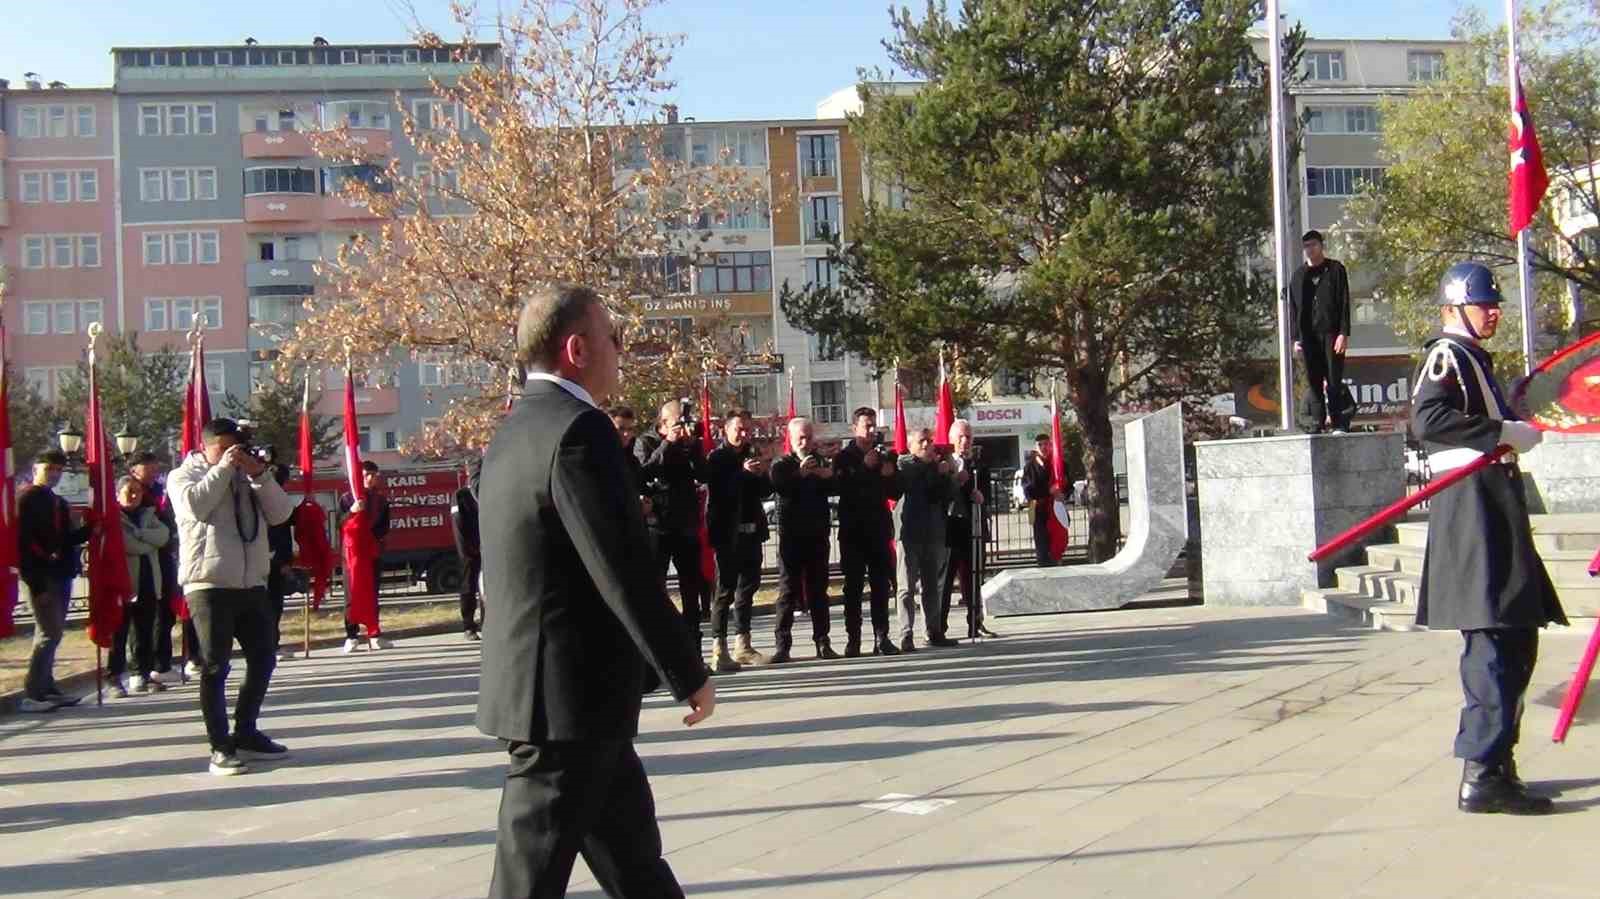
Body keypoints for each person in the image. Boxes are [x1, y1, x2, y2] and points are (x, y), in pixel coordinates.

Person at [477, 285, 713, 898]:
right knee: (526, 883)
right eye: (614, 338)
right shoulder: (580, 431)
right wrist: (688, 669)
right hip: (565, 710)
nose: (621, 351)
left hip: (570, 701)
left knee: (637, 867)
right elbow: (623, 570)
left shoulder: (513, 430)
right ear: (578, 348)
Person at [1411, 261, 1565, 816]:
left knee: (1516, 636)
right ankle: (1482, 774)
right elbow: (1428, 421)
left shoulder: (1475, 358)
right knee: (1493, 642)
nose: (1493, 311)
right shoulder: (1447, 355)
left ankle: (1498, 763)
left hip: (1490, 502)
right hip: (1472, 507)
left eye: (1495, 302)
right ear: (1455, 308)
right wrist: (1503, 433)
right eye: (1483, 304)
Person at [169, 418, 296, 776]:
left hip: (250, 582)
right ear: (205, 446)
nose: (232, 455)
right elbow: (196, 507)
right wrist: (223, 469)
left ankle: (246, 732)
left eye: (236, 449)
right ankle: (219, 747)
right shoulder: (183, 476)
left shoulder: (247, 478)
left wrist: (260, 475)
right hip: (208, 583)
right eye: (223, 448)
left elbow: (282, 514)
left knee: (263, 656)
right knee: (214, 665)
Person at [16, 450, 92, 712]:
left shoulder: (57, 501)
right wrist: (36, 586)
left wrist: (91, 528)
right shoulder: (26, 498)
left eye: (58, 470)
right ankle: (34, 693)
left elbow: (64, 540)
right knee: (49, 633)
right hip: (41, 575)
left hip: (61, 572)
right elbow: (24, 544)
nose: (54, 475)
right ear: (36, 468)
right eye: (49, 469)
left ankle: (47, 687)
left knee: (52, 633)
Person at [703, 409, 773, 672]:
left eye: (747, 430)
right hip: (726, 534)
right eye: (738, 429)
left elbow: (765, 491)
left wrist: (762, 472)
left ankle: (743, 644)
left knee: (748, 589)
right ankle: (718, 649)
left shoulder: (751, 453)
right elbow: (720, 492)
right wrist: (742, 473)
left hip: (752, 530)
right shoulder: (717, 457)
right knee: (725, 591)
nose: (743, 434)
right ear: (726, 430)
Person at [635, 399, 709, 642]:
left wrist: (691, 446)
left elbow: (703, 474)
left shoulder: (690, 444)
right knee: (656, 587)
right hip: (658, 525)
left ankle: (694, 648)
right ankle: (660, 647)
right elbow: (644, 471)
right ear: (663, 423)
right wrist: (668, 444)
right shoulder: (646, 442)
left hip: (685, 524)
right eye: (678, 423)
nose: (683, 427)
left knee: (691, 587)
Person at [832, 407, 903, 657]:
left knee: (881, 586)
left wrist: (890, 475)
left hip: (879, 529)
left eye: (874, 426)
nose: (872, 431)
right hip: (853, 532)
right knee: (853, 588)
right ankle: (854, 639)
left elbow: (896, 492)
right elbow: (840, 487)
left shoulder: (885, 455)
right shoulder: (844, 457)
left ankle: (882, 637)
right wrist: (863, 467)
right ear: (855, 429)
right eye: (866, 426)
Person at [768, 417, 840, 663]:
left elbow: (835, 485)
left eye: (809, 437)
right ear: (790, 438)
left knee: (819, 590)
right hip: (791, 537)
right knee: (788, 590)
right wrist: (800, 472)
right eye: (800, 437)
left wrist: (826, 473)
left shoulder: (821, 462)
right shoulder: (782, 463)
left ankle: (823, 642)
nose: (805, 441)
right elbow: (779, 485)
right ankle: (782, 645)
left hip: (817, 534)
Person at [895, 428, 959, 652]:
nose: (927, 445)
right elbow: (917, 482)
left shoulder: (935, 467)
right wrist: (935, 468)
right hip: (909, 533)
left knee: (932, 586)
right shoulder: (905, 464)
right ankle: (906, 633)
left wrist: (948, 470)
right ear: (911, 445)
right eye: (921, 441)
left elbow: (948, 493)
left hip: (933, 533)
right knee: (906, 587)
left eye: (929, 441)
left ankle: (934, 630)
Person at [130, 452, 192, 682]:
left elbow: (163, 528)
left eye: (156, 468)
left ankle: (161, 663)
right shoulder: (135, 492)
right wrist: (159, 536)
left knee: (165, 613)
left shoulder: (157, 491)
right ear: (135, 468)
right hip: (146, 561)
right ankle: (143, 667)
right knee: (146, 617)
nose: (155, 472)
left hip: (164, 557)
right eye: (149, 468)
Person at [109, 476, 171, 697]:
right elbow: (129, 545)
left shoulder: (148, 514)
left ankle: (140, 673)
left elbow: (163, 536)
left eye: (137, 491)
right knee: (120, 632)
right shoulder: (113, 517)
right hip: (124, 583)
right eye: (128, 491)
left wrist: (143, 534)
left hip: (149, 581)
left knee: (144, 630)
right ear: (117, 494)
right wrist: (147, 542)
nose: (134, 495)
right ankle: (114, 676)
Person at [1290, 230, 1354, 434]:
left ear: (1321, 245)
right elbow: (1294, 308)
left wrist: (1343, 333)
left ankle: (1338, 423)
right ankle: (1316, 423)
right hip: (1308, 336)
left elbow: (1344, 302)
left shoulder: (1335, 270)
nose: (1310, 250)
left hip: (1331, 334)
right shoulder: (1299, 276)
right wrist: (1295, 339)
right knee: (1313, 379)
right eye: (1306, 246)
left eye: (1314, 245)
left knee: (1333, 378)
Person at [941, 420, 998, 640]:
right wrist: (955, 479)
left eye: (969, 437)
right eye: (961, 437)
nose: (965, 441)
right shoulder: (944, 463)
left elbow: (985, 494)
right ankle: (939, 626)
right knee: (945, 579)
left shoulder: (978, 464)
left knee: (973, 577)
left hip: (973, 525)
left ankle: (975, 622)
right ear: (952, 439)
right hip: (950, 526)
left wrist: (980, 497)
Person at [341, 461, 393, 653]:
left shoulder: (381, 501)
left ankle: (374, 634)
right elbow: (340, 522)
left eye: (374, 474)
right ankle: (351, 636)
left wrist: (371, 536)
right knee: (351, 595)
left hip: (372, 552)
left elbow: (384, 526)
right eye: (367, 474)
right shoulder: (347, 498)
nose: (371, 478)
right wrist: (352, 512)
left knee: (372, 593)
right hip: (351, 555)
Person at [266, 464, 297, 662]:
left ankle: (272, 644)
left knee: (274, 606)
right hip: (268, 559)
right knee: (271, 606)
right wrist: (284, 560)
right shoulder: (268, 498)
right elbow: (281, 533)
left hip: (273, 559)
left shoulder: (280, 499)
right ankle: (270, 646)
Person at [452, 456, 484, 641]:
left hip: (487, 548)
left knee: (486, 589)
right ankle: (468, 626)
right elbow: (458, 525)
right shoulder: (461, 495)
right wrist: (469, 549)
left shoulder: (486, 492)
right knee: (468, 586)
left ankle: (487, 623)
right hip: (469, 550)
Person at [1021, 434, 1059, 567]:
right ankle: (1043, 563)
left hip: (1054, 507)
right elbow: (1028, 488)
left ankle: (1055, 560)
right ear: (1036, 447)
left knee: (1056, 538)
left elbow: (1066, 482)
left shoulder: (1056, 463)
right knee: (1041, 539)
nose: (1044, 447)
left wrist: (1063, 493)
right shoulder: (1030, 466)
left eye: (1046, 444)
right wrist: (1046, 492)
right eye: (1040, 445)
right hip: (1036, 507)